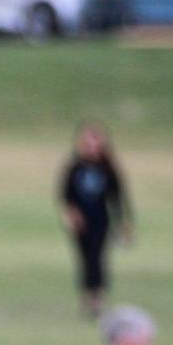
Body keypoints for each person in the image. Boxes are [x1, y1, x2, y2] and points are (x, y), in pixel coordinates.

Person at [58, 123, 132, 315]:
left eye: (95, 141)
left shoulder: (107, 168)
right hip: (80, 222)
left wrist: (123, 223)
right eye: (88, 141)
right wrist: (71, 215)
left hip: (100, 220)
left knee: (98, 258)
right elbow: (66, 194)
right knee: (84, 259)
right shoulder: (75, 166)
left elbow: (117, 198)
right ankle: (86, 297)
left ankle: (98, 298)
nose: (92, 146)